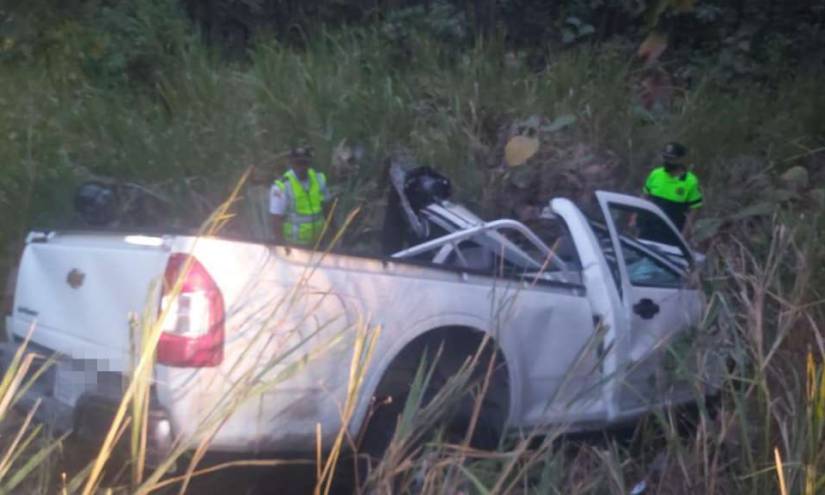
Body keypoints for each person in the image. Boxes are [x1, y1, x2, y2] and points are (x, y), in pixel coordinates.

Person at [639, 142, 703, 240]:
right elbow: (644, 197)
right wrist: (635, 218)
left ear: (680, 159)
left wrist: (684, 235)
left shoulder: (690, 181)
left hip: (672, 234)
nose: (667, 161)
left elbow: (695, 210)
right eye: (665, 157)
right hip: (648, 230)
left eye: (671, 159)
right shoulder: (655, 174)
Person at [270, 146, 331, 246]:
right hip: (294, 245)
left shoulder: (318, 179)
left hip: (319, 242)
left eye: (304, 163)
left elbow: (328, 208)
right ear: (291, 164)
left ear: (309, 163)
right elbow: (275, 219)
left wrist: (334, 232)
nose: (301, 167)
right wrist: (281, 245)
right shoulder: (281, 186)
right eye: (298, 163)